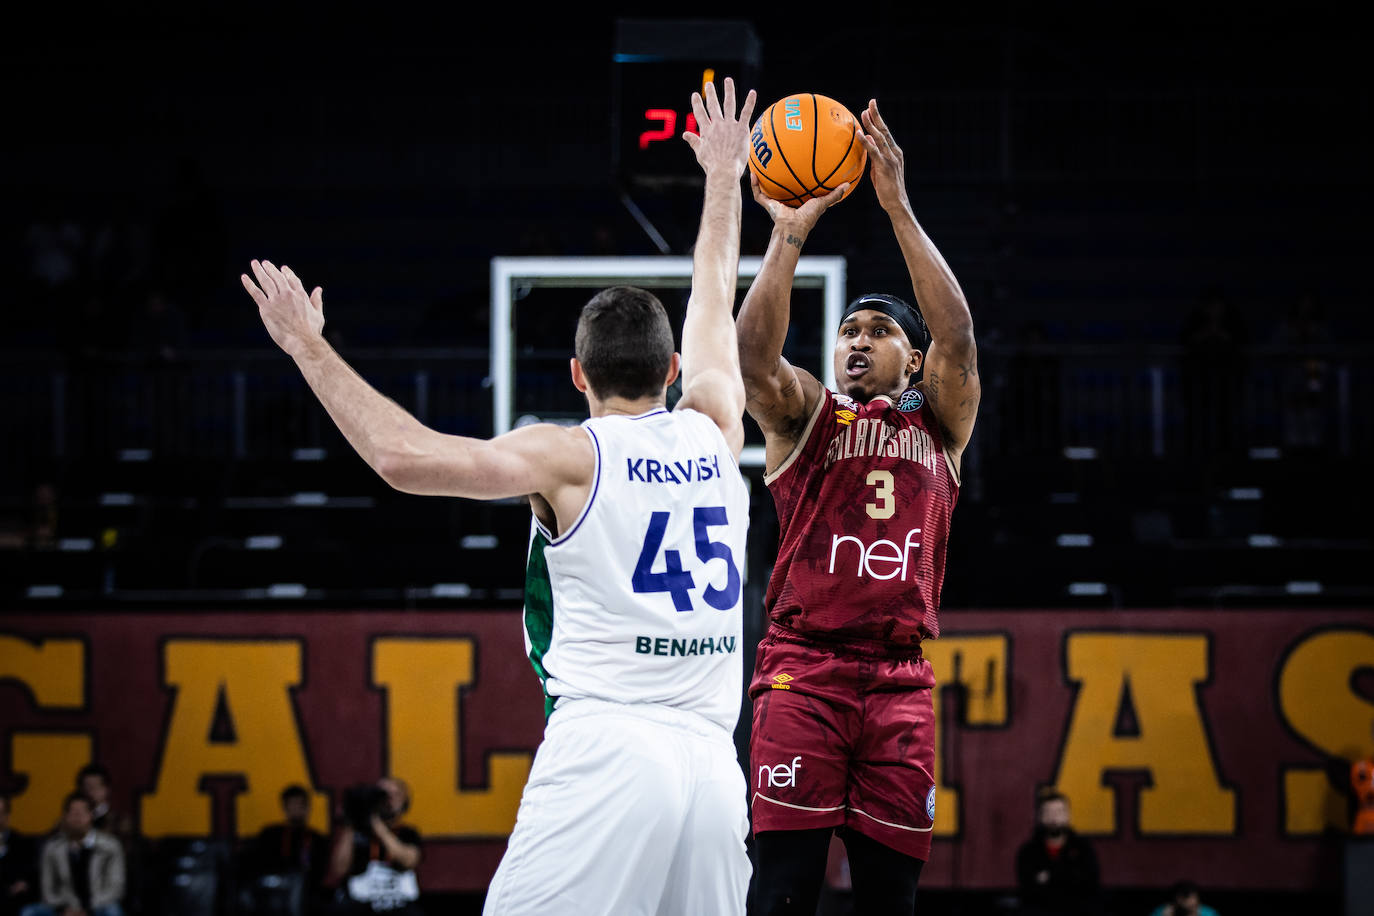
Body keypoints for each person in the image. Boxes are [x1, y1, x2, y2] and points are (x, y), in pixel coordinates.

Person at [241, 78, 757, 915]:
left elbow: (401, 458)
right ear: (671, 373)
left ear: (578, 375)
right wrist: (724, 178)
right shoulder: (716, 429)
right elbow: (711, 293)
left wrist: (307, 347)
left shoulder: (566, 455)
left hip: (607, 751)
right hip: (712, 766)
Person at [737, 99, 980, 914]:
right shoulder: (808, 413)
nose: (856, 342)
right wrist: (789, 232)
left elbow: (960, 337)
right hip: (802, 672)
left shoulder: (940, 422)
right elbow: (749, 358)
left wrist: (896, 205)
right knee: (780, 894)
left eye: (877, 332)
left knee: (890, 901)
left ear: (912, 359)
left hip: (898, 679)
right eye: (847, 331)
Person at [322, 778, 421, 916]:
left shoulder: (408, 833)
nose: (389, 800)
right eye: (384, 794)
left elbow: (409, 860)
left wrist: (377, 825)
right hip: (359, 904)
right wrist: (352, 821)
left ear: (405, 801)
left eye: (395, 794)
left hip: (399, 905)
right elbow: (339, 869)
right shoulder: (357, 833)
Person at [29, 793, 125, 916]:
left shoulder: (110, 846)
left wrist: (88, 909)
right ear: (64, 816)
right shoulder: (52, 848)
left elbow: (116, 888)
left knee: (113, 911)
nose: (77, 817)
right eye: (73, 812)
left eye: (82, 812)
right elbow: (47, 890)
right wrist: (64, 909)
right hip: (65, 906)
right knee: (30, 912)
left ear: (91, 815)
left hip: (98, 904)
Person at [243, 784, 328, 915]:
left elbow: (319, 870)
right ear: (284, 807)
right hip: (272, 882)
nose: (296, 809)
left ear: (307, 808)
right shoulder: (271, 834)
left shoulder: (315, 838)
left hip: (303, 887)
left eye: (300, 805)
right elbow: (256, 862)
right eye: (291, 805)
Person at [1014, 791, 1101, 916]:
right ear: (1040, 817)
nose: (1054, 818)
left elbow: (1089, 889)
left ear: (1067, 815)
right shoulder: (1028, 852)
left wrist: (1048, 878)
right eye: (1049, 812)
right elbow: (1029, 893)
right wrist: (1067, 877)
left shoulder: (1084, 850)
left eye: (1059, 812)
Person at [1, 795, 39, 916]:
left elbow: (28, 876)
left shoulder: (23, 843)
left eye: (1, 813)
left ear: (8, 816)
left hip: (15, 901)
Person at [1149, 879, 1219, 916]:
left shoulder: (1207, 913)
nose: (1191, 901)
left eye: (1193, 897)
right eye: (1185, 897)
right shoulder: (1163, 911)